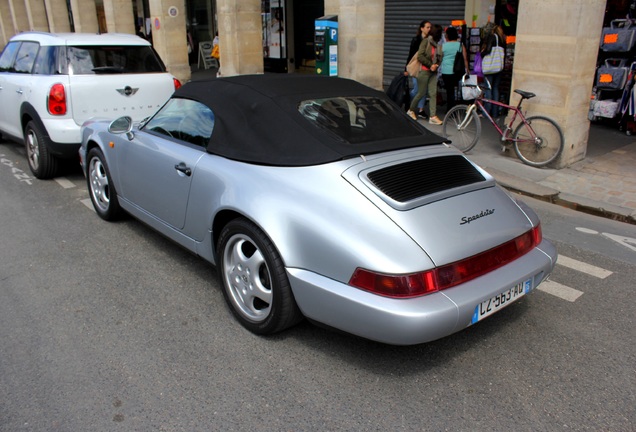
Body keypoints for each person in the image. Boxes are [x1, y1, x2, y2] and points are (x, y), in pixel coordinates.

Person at [408, 24, 443, 125]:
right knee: (421, 93)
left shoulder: (438, 44)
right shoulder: (426, 41)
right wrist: (430, 64)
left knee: (433, 93)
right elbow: (420, 56)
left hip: (433, 72)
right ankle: (411, 110)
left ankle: (433, 116)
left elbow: (440, 57)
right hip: (424, 71)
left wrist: (436, 65)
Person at [404, 20, 431, 118]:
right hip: (416, 67)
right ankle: (410, 104)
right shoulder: (416, 40)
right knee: (417, 88)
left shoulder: (430, 40)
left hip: (425, 67)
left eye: (430, 27)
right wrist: (406, 68)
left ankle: (421, 109)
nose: (429, 29)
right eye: (427, 27)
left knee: (423, 88)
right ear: (422, 28)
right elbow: (411, 54)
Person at [481, 23, 507, 117]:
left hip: (490, 68)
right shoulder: (502, 39)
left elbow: (488, 50)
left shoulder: (492, 37)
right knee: (495, 89)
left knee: (488, 89)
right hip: (498, 68)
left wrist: (482, 53)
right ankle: (495, 113)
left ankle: (486, 113)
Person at [440, 26, 468, 111]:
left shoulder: (443, 46)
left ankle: (449, 109)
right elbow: (465, 59)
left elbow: (440, 58)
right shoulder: (460, 45)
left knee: (449, 90)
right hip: (457, 71)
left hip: (445, 71)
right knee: (455, 89)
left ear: (447, 36)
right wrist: (468, 71)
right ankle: (455, 107)